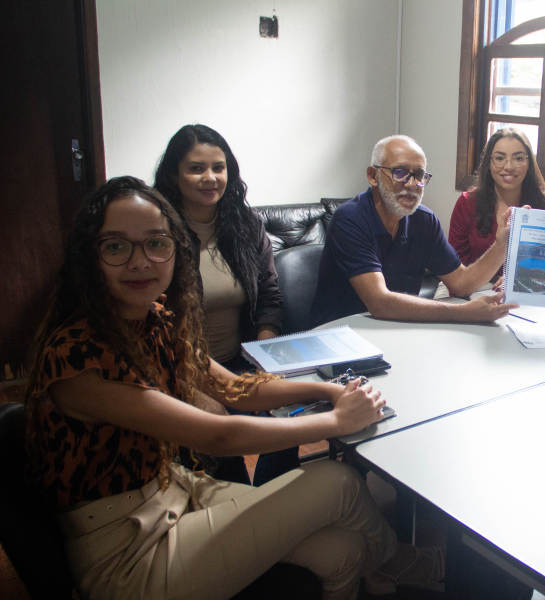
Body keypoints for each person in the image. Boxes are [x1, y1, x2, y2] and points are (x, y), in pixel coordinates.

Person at [23, 177, 441, 600]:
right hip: (129, 553)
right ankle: (402, 562)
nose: (140, 261)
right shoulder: (75, 356)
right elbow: (217, 436)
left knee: (344, 550)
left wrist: (329, 391)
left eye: (156, 243)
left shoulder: (152, 321)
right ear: (89, 257)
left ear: (174, 250)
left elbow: (237, 389)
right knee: (339, 482)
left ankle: (386, 568)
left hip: (176, 491)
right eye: (116, 246)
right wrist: (334, 421)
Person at [154, 124, 291, 486]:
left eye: (219, 167)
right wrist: (193, 390)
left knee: (289, 421)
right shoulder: (156, 233)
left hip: (239, 362)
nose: (210, 177)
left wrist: (265, 360)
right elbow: (151, 321)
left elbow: (270, 297)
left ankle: (269, 503)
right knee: (223, 450)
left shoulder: (246, 225)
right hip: (178, 372)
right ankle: (248, 513)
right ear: (173, 174)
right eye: (196, 168)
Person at [309, 135, 518, 328]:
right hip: (340, 337)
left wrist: (502, 244)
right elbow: (379, 302)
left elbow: (462, 284)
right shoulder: (350, 219)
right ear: (373, 176)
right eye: (399, 173)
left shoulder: (424, 221)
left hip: (397, 330)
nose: (411, 184)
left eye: (418, 175)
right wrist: (463, 312)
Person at [449, 127, 545, 278]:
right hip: (473, 288)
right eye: (500, 158)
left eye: (519, 158)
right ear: (488, 163)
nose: (509, 167)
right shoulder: (467, 203)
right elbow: (456, 270)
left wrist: (516, 280)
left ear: (529, 164)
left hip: (528, 287)